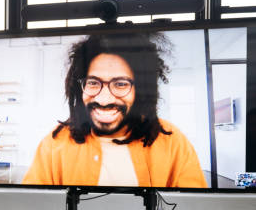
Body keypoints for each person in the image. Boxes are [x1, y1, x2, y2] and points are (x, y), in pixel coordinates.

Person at [22, 32, 207, 188]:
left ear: (140, 90)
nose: (104, 99)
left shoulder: (173, 143)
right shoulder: (54, 145)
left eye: (120, 84)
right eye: (93, 83)